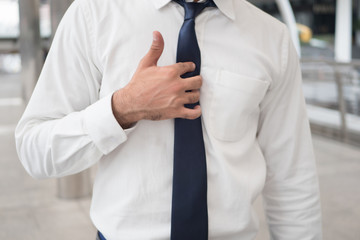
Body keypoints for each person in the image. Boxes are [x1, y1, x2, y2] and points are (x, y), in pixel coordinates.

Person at [15, 0, 322, 239]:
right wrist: (121, 108)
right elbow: (35, 150)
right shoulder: (94, 14)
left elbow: (292, 179)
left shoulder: (272, 38)